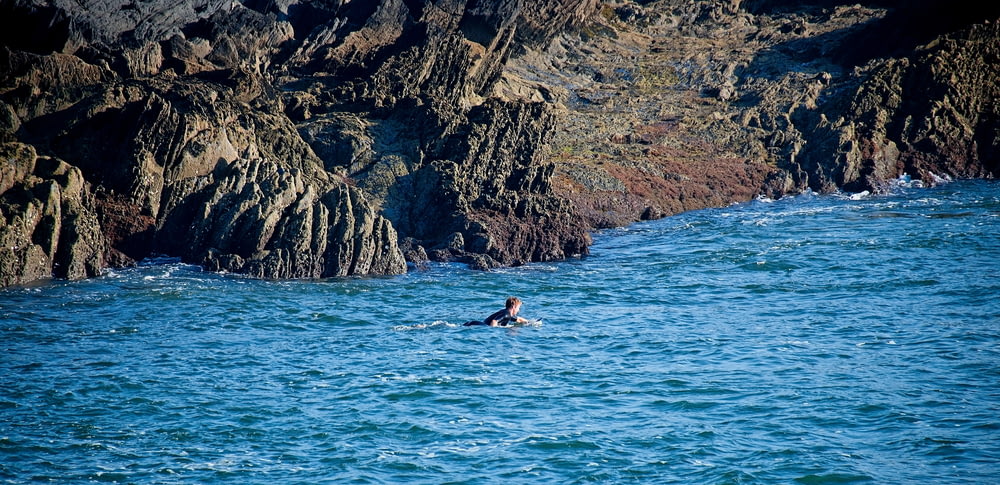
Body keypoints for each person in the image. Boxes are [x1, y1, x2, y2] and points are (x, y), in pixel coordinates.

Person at [463, 297, 529, 327]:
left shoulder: (507, 314)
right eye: (518, 308)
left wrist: (529, 322)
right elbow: (494, 321)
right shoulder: (507, 314)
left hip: (473, 323)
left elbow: (518, 319)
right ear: (513, 306)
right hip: (477, 325)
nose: (518, 310)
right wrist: (493, 333)